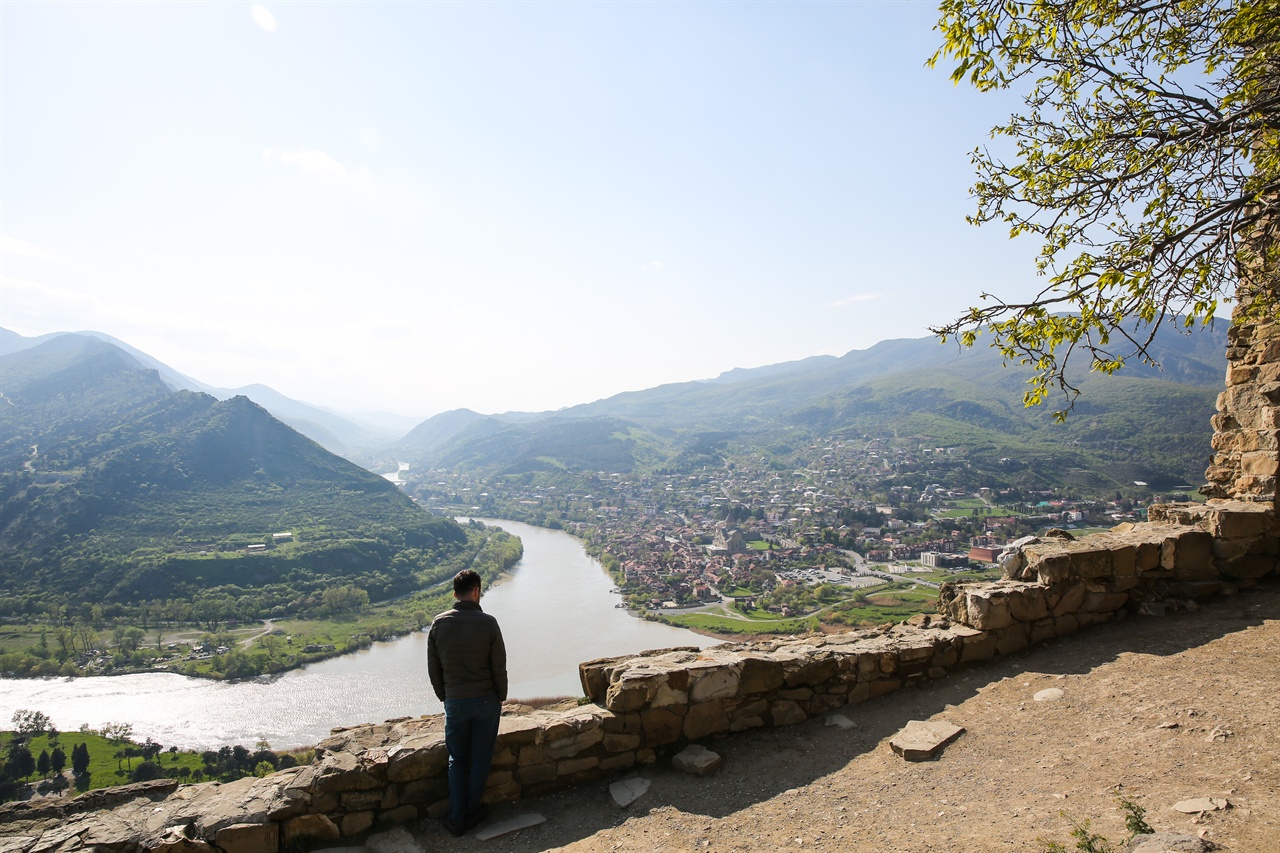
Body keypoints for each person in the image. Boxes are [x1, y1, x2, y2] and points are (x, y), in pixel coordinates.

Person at [427, 569, 507, 836]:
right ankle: (473, 812)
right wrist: (501, 697)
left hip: (456, 702)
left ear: (454, 593)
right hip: (485, 701)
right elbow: (499, 666)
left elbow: (434, 669)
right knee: (480, 758)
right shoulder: (489, 623)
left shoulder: (438, 624)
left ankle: (456, 817)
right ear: (476, 591)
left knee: (457, 760)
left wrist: (445, 696)